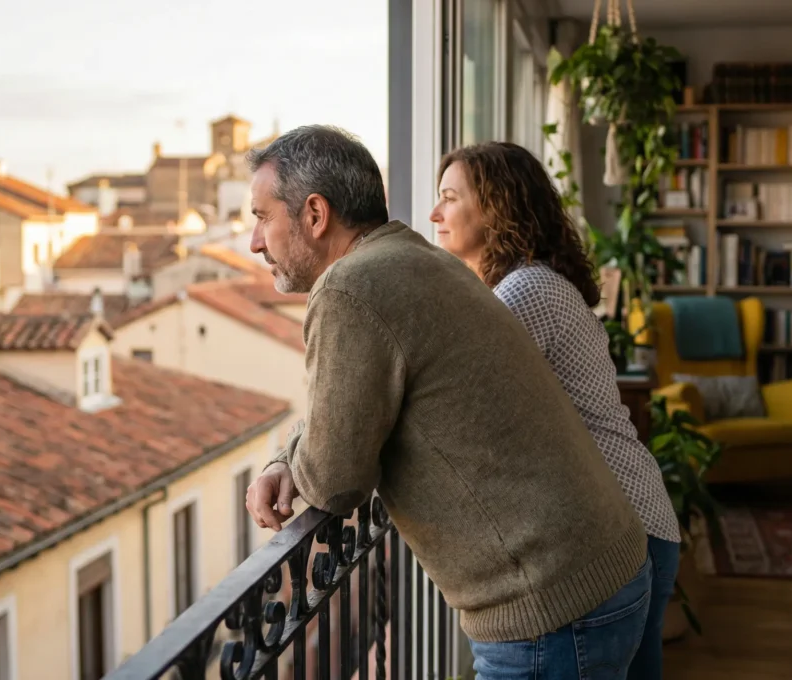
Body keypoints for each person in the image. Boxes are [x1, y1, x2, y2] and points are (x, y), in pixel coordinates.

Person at [244, 125, 651, 680]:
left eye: (262, 217)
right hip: (600, 570)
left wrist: (293, 462)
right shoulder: (415, 257)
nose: (255, 242)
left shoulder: (349, 289)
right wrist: (286, 457)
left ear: (315, 214)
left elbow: (335, 481)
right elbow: (349, 407)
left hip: (553, 609)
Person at [430, 140, 682, 678]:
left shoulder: (526, 291)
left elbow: (453, 393)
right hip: (635, 518)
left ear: (496, 206)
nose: (434, 214)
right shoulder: (528, 283)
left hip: (627, 523)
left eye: (450, 198)